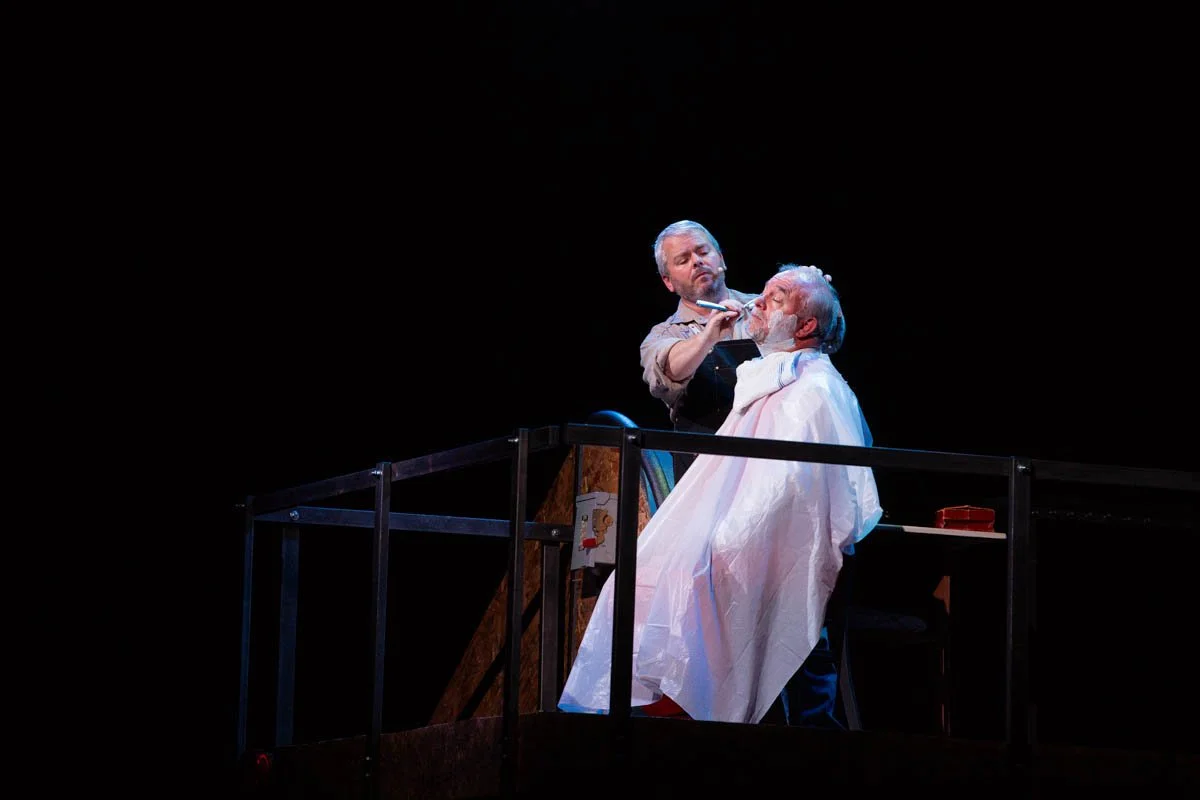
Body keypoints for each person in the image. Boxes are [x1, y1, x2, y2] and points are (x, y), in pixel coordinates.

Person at [560, 265, 882, 724]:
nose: (759, 302)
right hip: (735, 530)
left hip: (770, 543)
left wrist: (728, 535)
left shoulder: (815, 389)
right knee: (637, 577)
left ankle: (691, 714)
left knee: (698, 577)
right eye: (764, 293)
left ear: (806, 325)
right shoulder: (766, 376)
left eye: (776, 297)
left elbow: (797, 493)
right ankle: (633, 714)